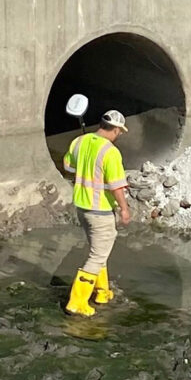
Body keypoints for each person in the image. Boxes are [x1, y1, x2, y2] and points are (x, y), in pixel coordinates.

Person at [62, 107, 130, 316]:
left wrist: (86, 165)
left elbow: (68, 167)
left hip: (82, 208)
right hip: (100, 210)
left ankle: (102, 292)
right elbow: (117, 186)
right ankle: (76, 303)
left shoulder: (79, 142)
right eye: (120, 132)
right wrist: (124, 209)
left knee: (99, 252)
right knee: (97, 256)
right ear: (116, 129)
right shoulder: (110, 152)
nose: (119, 136)